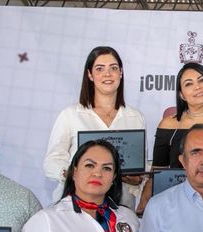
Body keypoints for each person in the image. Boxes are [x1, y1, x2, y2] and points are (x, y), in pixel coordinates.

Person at [43, 46, 147, 211]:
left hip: (120, 207)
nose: (107, 74)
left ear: (120, 73)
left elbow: (139, 166)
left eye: (113, 68)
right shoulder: (70, 115)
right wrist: (73, 174)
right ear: (90, 75)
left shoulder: (135, 117)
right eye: (100, 69)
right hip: (74, 206)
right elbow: (52, 162)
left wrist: (137, 179)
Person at [147, 62, 203, 194]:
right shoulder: (168, 125)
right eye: (189, 84)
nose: (197, 87)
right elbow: (156, 172)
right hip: (175, 199)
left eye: (202, 80)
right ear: (182, 95)